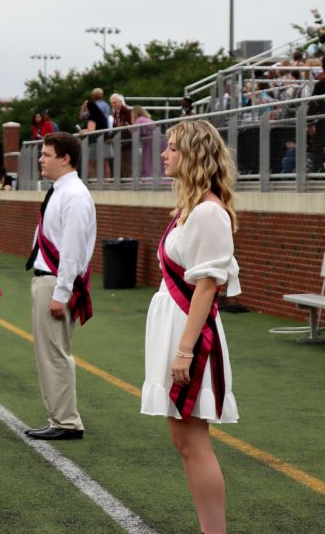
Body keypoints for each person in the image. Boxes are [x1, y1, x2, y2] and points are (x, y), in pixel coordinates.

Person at [141, 120, 239, 534]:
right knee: (185, 443)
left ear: (195, 156)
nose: (164, 154)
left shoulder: (208, 212)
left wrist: (184, 349)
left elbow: (207, 286)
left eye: (174, 148)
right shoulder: (190, 209)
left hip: (189, 331)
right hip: (175, 324)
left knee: (194, 444)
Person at [24, 132, 96, 441]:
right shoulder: (60, 191)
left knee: (54, 353)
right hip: (48, 278)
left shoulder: (74, 194)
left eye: (46, 154)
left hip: (55, 281)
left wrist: (61, 293)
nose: (41, 159)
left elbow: (72, 248)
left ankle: (66, 421)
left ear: (65, 158)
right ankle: (60, 417)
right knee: (48, 352)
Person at [133, 106, 156, 178]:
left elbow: (135, 132)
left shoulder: (139, 120)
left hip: (149, 142)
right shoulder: (147, 119)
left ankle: (148, 178)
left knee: (147, 161)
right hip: (155, 140)